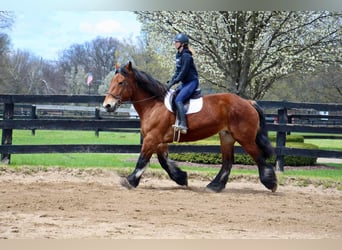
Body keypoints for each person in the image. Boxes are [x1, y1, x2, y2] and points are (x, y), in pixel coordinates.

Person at [167, 33, 199, 134]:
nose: (174, 43)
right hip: (185, 83)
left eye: (176, 42)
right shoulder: (178, 55)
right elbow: (177, 71)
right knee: (173, 96)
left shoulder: (186, 56)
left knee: (179, 100)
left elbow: (183, 72)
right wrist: (171, 81)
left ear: (182, 44)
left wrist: (174, 82)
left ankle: (183, 125)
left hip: (192, 82)